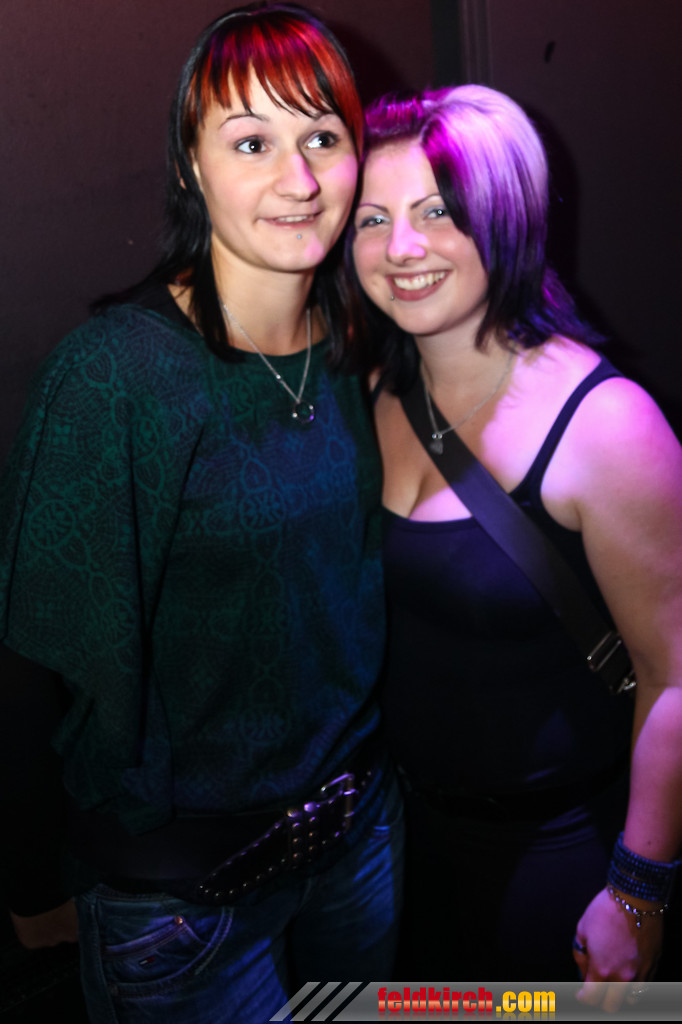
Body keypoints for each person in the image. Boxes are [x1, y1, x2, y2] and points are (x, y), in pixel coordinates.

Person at [0, 5, 403, 1021]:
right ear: (191, 164)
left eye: (323, 137)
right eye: (252, 143)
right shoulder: (115, 377)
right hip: (187, 904)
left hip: (358, 844)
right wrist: (30, 879)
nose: (298, 179)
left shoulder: (357, 338)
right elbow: (29, 657)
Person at [348, 85, 682, 998]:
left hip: (558, 859)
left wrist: (639, 891)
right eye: (371, 219)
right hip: (404, 845)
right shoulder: (371, 389)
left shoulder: (606, 425)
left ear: (507, 219)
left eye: (437, 212)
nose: (400, 248)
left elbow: (674, 676)